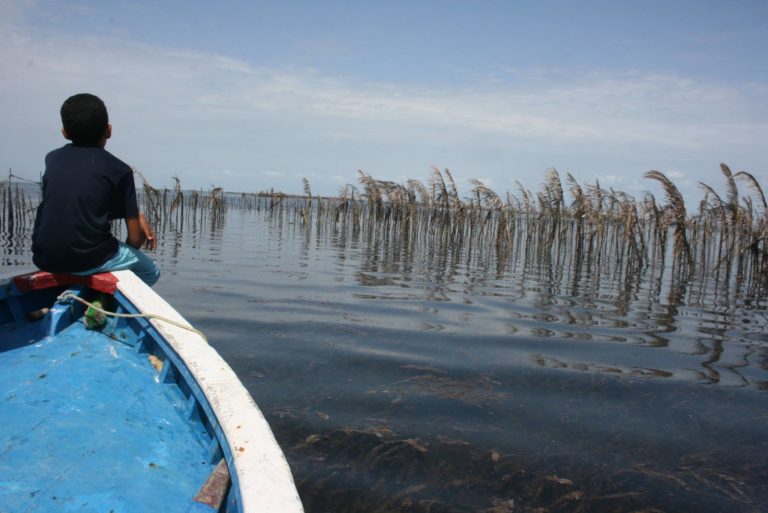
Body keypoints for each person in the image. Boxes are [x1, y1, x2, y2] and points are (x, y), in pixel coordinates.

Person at [32, 93, 160, 286]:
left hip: (43, 258)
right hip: (89, 260)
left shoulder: (52, 159)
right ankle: (103, 299)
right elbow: (135, 239)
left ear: (64, 132)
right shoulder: (120, 170)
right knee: (151, 272)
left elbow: (78, 203)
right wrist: (135, 217)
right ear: (108, 130)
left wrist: (135, 214)